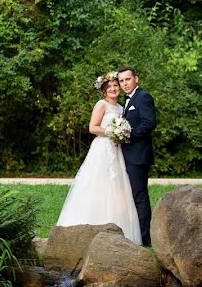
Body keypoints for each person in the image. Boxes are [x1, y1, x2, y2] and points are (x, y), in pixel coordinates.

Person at [55, 72, 142, 245]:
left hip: (116, 151)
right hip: (102, 149)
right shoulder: (101, 105)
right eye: (109, 87)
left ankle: (119, 230)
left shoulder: (120, 108)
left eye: (116, 86)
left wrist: (121, 135)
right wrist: (112, 132)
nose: (113, 89)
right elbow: (92, 127)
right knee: (97, 185)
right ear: (104, 90)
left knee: (117, 187)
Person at [116, 67, 156, 246]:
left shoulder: (143, 97)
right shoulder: (127, 101)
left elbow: (149, 122)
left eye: (127, 79)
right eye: (121, 81)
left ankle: (144, 237)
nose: (124, 83)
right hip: (126, 154)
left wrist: (128, 135)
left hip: (138, 156)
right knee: (129, 195)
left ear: (136, 79)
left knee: (139, 195)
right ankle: (133, 233)